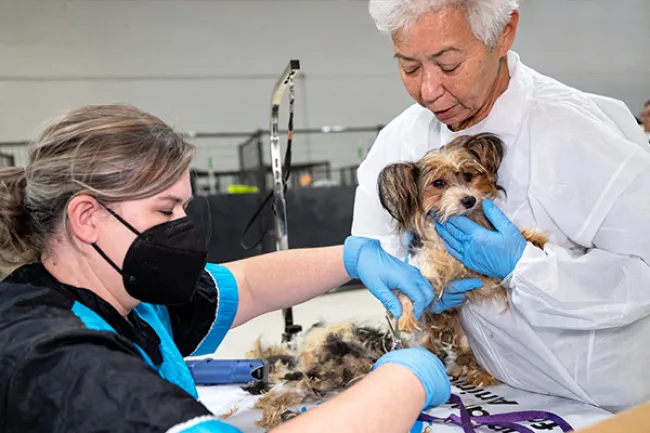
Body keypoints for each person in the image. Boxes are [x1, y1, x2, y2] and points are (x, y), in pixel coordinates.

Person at [0, 104, 470, 433]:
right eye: (165, 212)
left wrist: (353, 258)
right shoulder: (58, 358)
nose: (182, 228)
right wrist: (405, 380)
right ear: (87, 218)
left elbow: (245, 285)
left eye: (184, 208)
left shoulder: (128, 299)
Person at [352, 0, 650, 413]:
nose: (428, 90)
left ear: (504, 33)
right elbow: (375, 244)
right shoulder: (401, 138)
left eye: (449, 65)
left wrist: (523, 269)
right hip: (498, 389)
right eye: (409, 67)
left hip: (607, 395)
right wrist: (407, 277)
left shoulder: (579, 132)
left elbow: (643, 270)